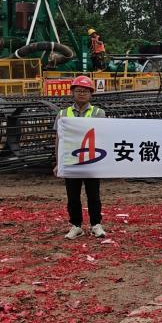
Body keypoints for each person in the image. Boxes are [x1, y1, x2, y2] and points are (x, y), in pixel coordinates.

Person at [56, 75, 107, 239]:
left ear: (91, 94)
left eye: (85, 91)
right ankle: (76, 225)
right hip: (71, 161)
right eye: (78, 90)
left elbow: (104, 136)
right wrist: (58, 162)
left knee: (94, 196)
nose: (82, 93)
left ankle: (96, 224)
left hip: (92, 161)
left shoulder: (98, 113)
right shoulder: (63, 114)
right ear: (72, 92)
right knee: (72, 197)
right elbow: (58, 139)